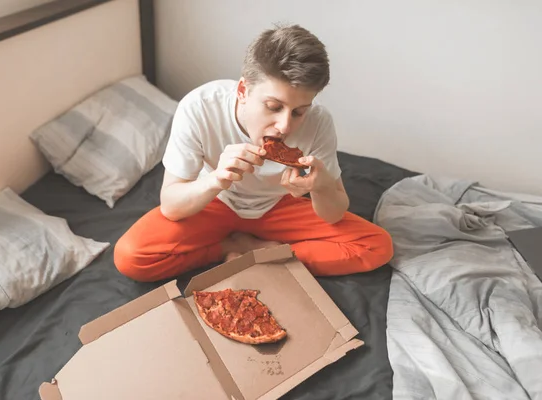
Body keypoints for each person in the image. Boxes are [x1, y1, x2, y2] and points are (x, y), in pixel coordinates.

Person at [114, 24, 393, 282]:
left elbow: (333, 213)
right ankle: (230, 247)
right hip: (215, 201)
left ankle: (262, 256)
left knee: (377, 246)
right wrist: (216, 180)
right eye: (273, 107)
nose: (285, 126)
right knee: (130, 257)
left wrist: (319, 188)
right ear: (243, 91)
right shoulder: (199, 107)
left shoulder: (319, 122)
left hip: (280, 205)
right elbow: (172, 205)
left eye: (298, 112)